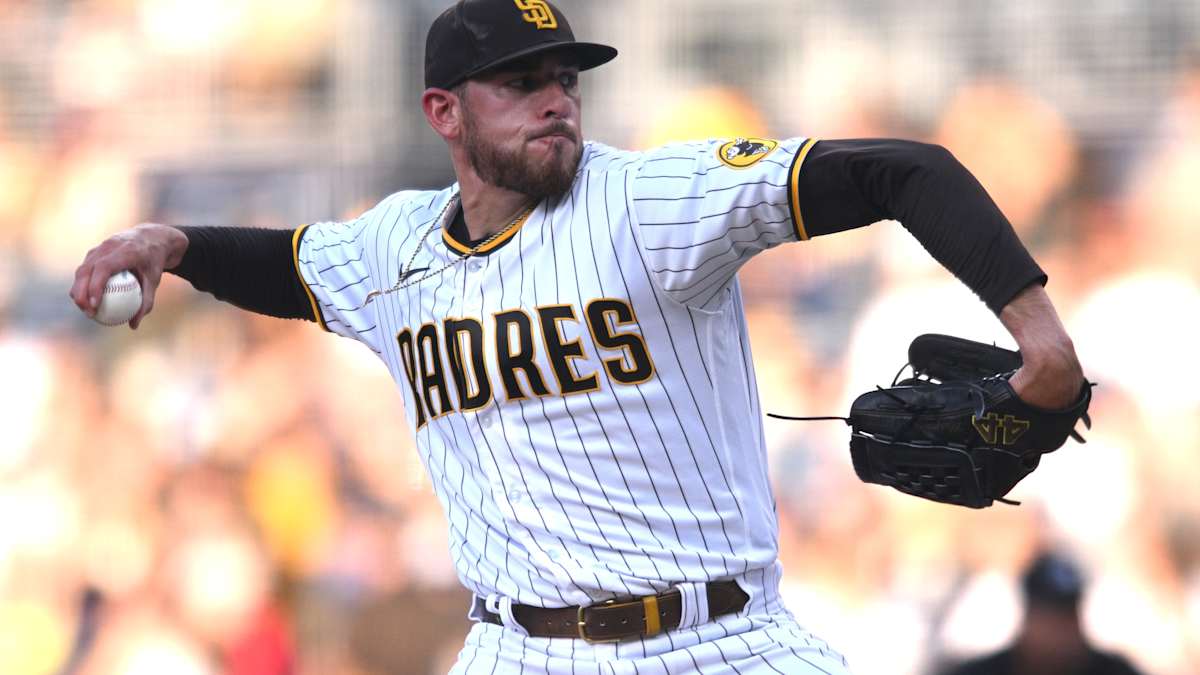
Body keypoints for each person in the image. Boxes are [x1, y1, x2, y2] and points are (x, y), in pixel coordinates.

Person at [69, 0, 1086, 671]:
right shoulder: (392, 250)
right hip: (518, 650)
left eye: (565, 75)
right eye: (521, 82)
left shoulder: (649, 200)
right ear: (444, 113)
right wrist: (177, 242)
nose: (556, 97)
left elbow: (903, 171)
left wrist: (1039, 339)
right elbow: (289, 265)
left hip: (722, 639)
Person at [937, 552, 1144, 675]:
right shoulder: (981, 672)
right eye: (1049, 617)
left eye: (1067, 617)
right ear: (1029, 616)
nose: (1059, 631)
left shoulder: (1115, 671)